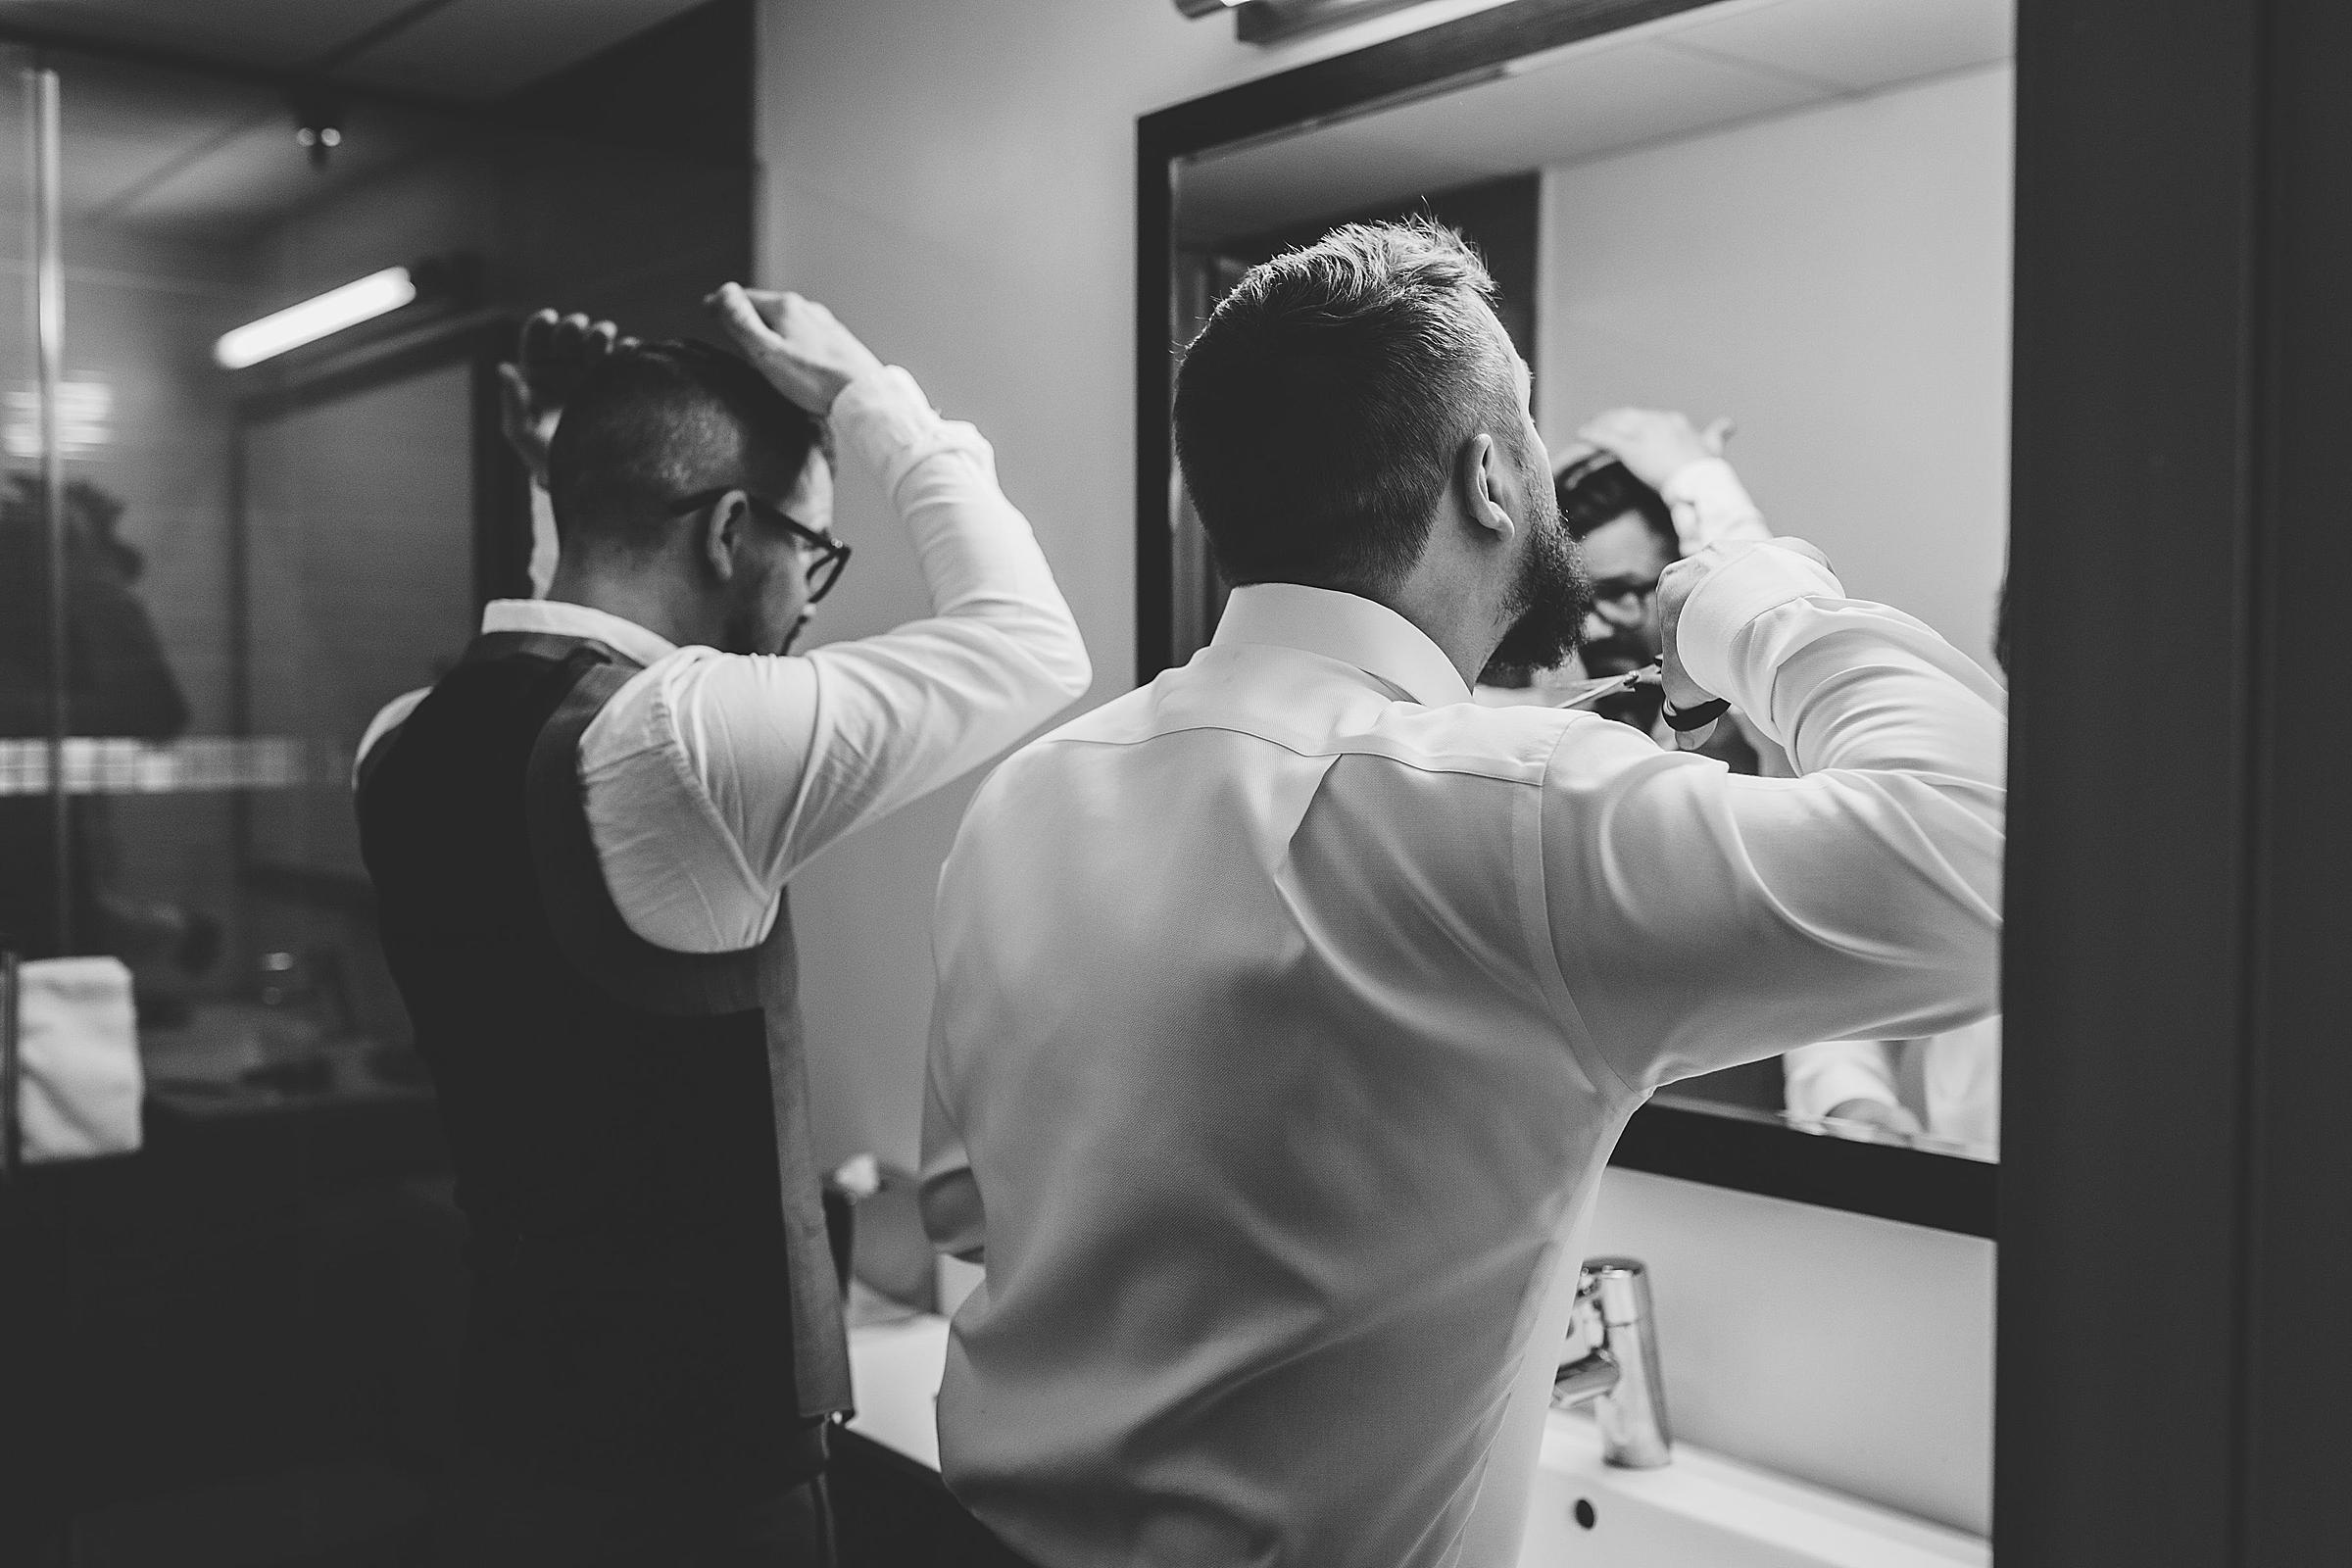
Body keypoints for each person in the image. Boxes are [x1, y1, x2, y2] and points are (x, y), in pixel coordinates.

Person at [918, 220, 2002, 1567]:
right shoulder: (1514, 810)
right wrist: (1757, 599)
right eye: (1531, 428)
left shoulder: (1031, 793)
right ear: (1492, 475)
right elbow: (1993, 864)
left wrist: (1380, 1342)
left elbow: (974, 1213)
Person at [353, 287, 1090, 1566]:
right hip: (703, 1485)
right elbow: (1031, 643)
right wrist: (866, 391)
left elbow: (557, 640)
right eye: (811, 547)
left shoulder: (400, 745)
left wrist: (561, 478)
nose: (808, 594)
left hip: (515, 1433)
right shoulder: (680, 745)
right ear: (734, 530)